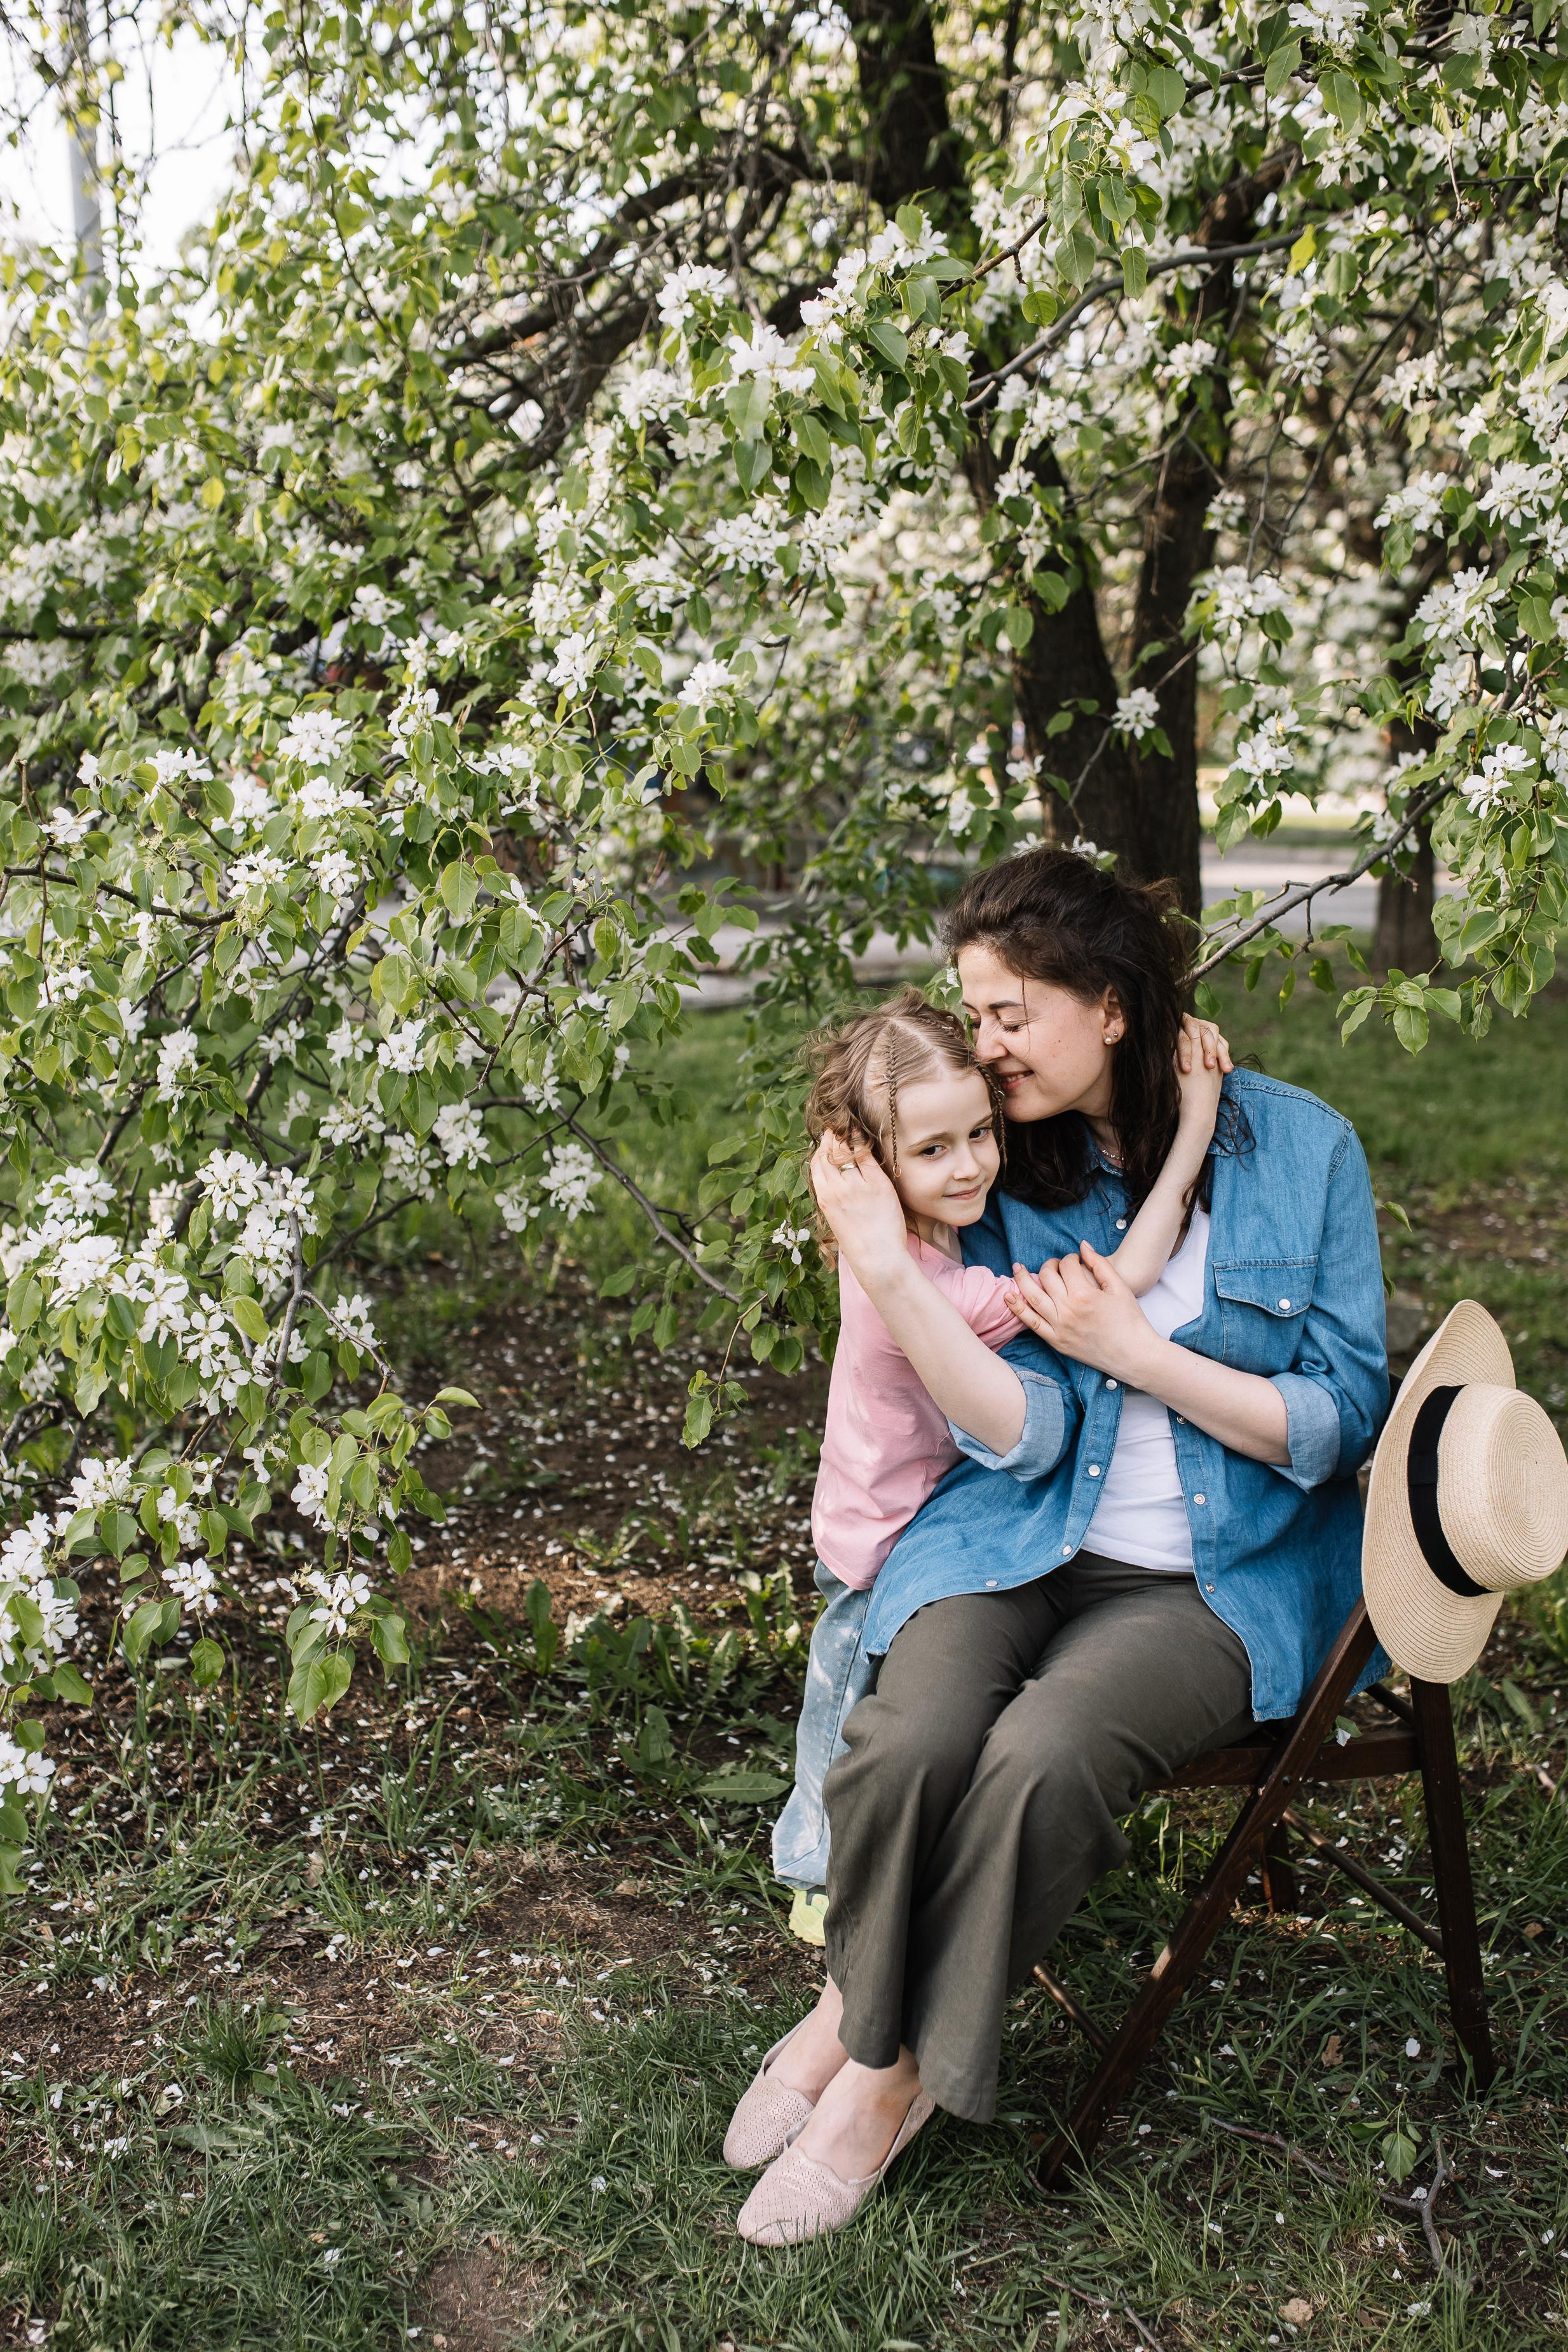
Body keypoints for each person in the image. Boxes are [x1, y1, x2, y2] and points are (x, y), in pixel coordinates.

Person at [726, 847, 1389, 2248]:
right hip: (1025, 1530)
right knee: (907, 1732)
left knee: (1042, 1752)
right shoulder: (1003, 1164)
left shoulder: (1308, 1147)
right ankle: (851, 1997)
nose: (986, 1045)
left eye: (1008, 1012)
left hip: (1220, 1576)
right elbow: (1007, 1429)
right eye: (974, 1016)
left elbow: (1339, 1415)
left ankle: (884, 2078)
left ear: (1109, 1003)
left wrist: (1144, 1355)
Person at [762, 987, 1227, 1944]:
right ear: (867, 1158)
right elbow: (1124, 1282)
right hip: (880, 1540)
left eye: (980, 1132)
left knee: (885, 1709)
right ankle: (819, 1878)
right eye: (934, 1150)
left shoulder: (925, 1240)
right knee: (846, 1716)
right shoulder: (930, 1285)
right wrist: (1194, 1133)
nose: (973, 1165)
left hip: (926, 1518)